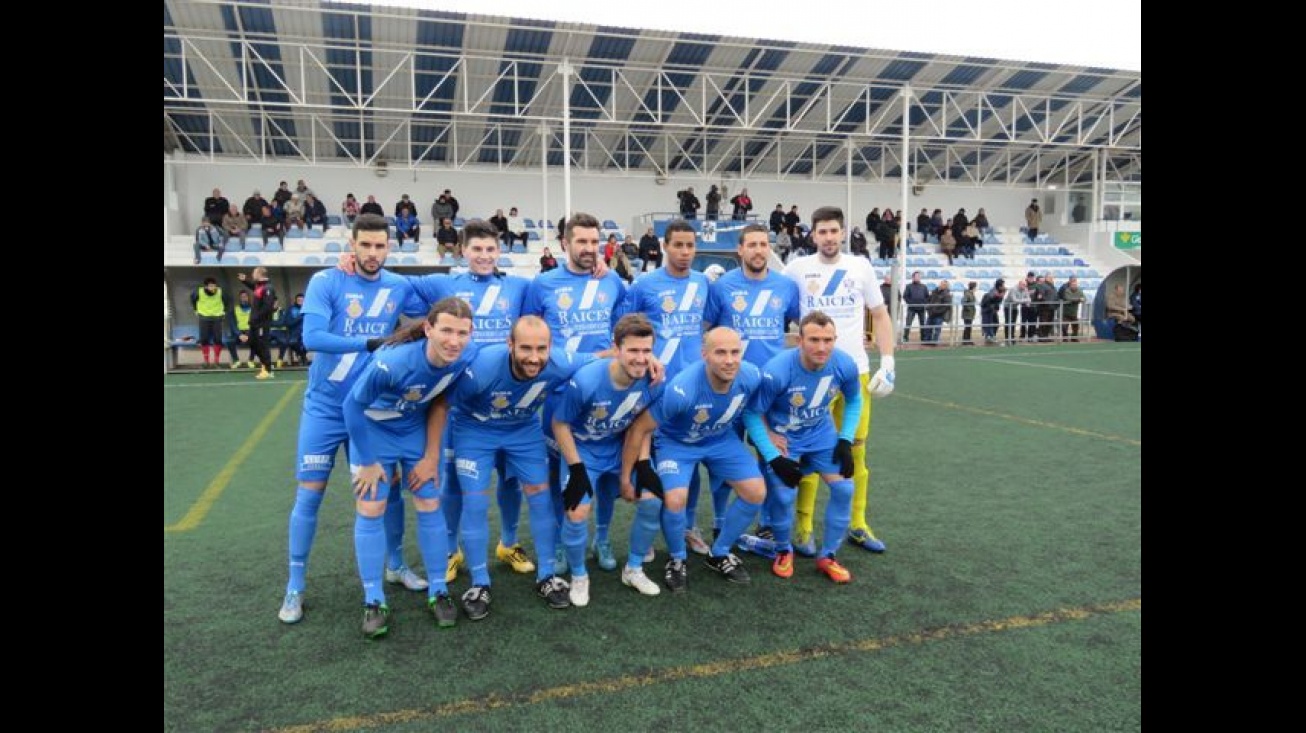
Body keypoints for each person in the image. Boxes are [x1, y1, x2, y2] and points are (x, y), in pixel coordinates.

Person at [276, 213, 419, 625]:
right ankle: (295, 586)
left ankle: (395, 567)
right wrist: (371, 342)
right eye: (365, 246)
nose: (373, 254)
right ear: (352, 245)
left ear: (389, 247)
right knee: (309, 495)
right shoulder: (327, 282)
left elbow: (436, 307)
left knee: (384, 492)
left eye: (380, 246)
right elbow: (312, 338)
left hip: (371, 412)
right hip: (324, 409)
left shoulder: (398, 286)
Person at [443, 317, 595, 618]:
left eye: (542, 348)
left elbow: (606, 357)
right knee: (474, 501)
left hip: (522, 430)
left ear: (551, 346)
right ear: (509, 344)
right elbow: (443, 403)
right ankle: (479, 582)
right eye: (525, 348)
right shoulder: (483, 367)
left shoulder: (561, 360)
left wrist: (651, 362)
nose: (535, 357)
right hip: (475, 430)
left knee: (539, 493)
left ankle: (547, 576)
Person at [343, 297, 477, 636]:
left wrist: (431, 456)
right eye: (446, 330)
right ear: (429, 328)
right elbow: (351, 408)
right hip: (374, 431)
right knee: (371, 505)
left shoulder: (465, 358)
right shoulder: (392, 363)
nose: (454, 340)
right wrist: (369, 463)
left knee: (429, 502)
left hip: (412, 430)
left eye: (462, 333)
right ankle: (373, 598)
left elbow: (441, 405)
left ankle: (438, 590)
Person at [782, 206, 896, 556]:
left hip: (853, 374)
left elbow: (879, 314)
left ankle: (857, 525)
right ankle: (802, 527)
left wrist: (888, 362)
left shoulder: (860, 266)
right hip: (812, 376)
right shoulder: (797, 269)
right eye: (822, 232)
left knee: (856, 452)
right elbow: (781, 312)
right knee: (809, 453)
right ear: (812, 235)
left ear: (842, 233)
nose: (829, 237)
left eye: (834, 231)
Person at [620, 327, 767, 592]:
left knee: (756, 492)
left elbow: (755, 409)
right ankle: (677, 559)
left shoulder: (752, 376)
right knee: (675, 498)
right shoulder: (682, 389)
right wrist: (632, 471)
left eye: (735, 352)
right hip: (677, 444)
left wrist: (770, 436)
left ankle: (719, 553)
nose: (730, 360)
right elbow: (640, 427)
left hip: (720, 440)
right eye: (720, 352)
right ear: (704, 354)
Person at [549, 314, 663, 606]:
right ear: (616, 348)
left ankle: (634, 568)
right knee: (576, 513)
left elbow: (643, 424)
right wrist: (575, 468)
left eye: (646, 350)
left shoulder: (655, 379)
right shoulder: (586, 380)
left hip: (619, 447)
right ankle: (579, 576)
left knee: (652, 499)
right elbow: (560, 424)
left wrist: (641, 464)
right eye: (633, 350)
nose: (640, 358)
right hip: (583, 450)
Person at [744, 311, 862, 583]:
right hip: (784, 439)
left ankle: (828, 556)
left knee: (845, 488)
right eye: (814, 340)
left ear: (835, 339)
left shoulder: (845, 364)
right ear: (800, 340)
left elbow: (854, 401)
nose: (822, 347)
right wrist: (773, 456)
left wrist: (845, 439)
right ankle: (783, 550)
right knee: (784, 496)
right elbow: (752, 413)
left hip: (821, 436)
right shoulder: (777, 371)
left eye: (828, 340)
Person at [621, 220, 713, 556]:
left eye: (691, 246)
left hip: (693, 389)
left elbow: (713, 324)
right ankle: (645, 536)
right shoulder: (645, 284)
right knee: (650, 459)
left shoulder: (703, 283)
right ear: (665, 245)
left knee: (690, 461)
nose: (685, 252)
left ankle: (688, 526)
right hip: (653, 386)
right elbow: (625, 327)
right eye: (678, 245)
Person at [704, 223, 801, 539]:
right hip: (730, 388)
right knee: (722, 457)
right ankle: (719, 522)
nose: (759, 250)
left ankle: (769, 523)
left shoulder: (785, 287)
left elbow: (801, 324)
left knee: (772, 455)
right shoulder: (722, 288)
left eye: (764, 245)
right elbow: (706, 330)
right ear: (740, 250)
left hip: (771, 390)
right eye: (753, 245)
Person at [236, 267, 277, 379]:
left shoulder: (268, 287)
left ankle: (268, 370)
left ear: (259, 274)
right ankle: (266, 365)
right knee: (252, 343)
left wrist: (257, 318)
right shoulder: (259, 286)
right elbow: (254, 287)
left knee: (263, 345)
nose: (252, 274)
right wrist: (244, 280)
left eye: (254, 273)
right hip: (255, 323)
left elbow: (268, 306)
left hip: (261, 323)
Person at [190, 278, 231, 368]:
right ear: (206, 286)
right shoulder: (198, 292)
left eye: (214, 285)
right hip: (204, 317)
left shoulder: (220, 292)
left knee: (218, 339)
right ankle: (206, 362)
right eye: (210, 286)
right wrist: (195, 310)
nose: (213, 287)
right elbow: (192, 299)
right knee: (204, 339)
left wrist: (224, 311)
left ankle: (216, 361)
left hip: (217, 317)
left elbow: (228, 301)